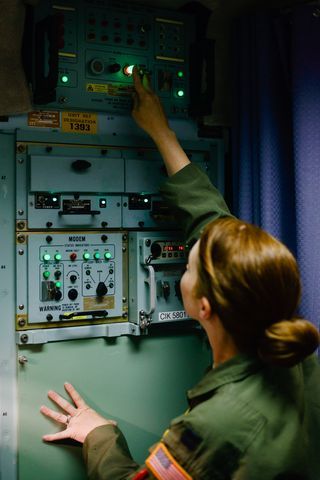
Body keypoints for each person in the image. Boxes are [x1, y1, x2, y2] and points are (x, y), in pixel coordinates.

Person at [40, 67, 320, 480]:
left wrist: (99, 434)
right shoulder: (296, 360)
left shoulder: (210, 429)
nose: (186, 261)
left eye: (188, 266)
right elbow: (213, 224)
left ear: (203, 306)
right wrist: (162, 132)